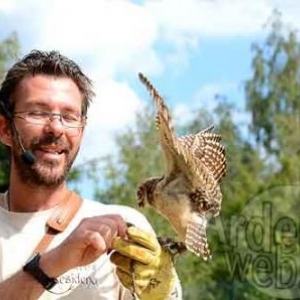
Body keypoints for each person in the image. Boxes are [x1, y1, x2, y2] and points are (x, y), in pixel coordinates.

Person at [0, 50, 182, 299]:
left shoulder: (125, 229)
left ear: (82, 131)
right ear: (5, 129)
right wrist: (51, 264)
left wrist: (160, 294)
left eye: (68, 116)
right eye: (38, 112)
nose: (55, 128)